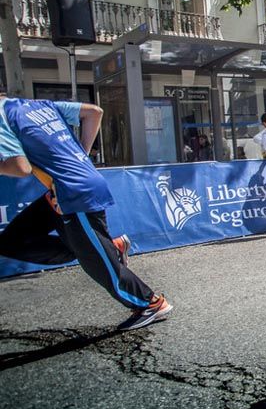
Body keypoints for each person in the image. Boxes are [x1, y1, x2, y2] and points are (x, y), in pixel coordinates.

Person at [0, 91, 172, 331]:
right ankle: (105, 248)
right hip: (62, 191)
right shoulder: (40, 105)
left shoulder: (2, 115)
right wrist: (82, 155)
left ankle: (150, 303)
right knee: (11, 241)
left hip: (72, 193)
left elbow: (20, 167)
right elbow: (94, 113)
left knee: (96, 264)